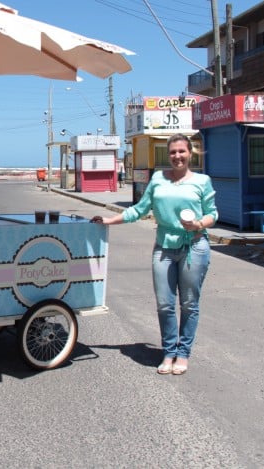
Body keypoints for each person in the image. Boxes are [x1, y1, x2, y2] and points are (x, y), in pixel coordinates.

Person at [91, 134, 217, 376]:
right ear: (167, 155)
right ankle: (169, 352)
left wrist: (199, 223)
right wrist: (109, 220)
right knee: (164, 304)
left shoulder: (202, 181)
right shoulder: (158, 179)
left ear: (190, 153)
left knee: (189, 304)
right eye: (172, 152)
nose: (177, 156)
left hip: (195, 247)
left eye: (182, 151)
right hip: (164, 247)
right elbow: (139, 209)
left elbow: (213, 214)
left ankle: (183, 353)